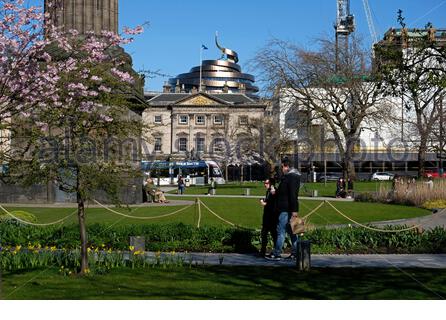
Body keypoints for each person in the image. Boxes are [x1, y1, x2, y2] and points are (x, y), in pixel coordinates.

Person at [266, 158, 300, 261]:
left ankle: (277, 253)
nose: (281, 168)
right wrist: (275, 191)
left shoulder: (291, 177)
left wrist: (294, 211)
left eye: (282, 166)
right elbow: (285, 192)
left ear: (286, 166)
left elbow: (293, 195)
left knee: (281, 231)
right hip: (287, 208)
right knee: (292, 231)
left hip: (287, 209)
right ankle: (295, 253)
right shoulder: (289, 177)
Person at [259, 178, 278, 257]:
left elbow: (273, 203)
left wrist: (264, 204)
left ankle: (276, 251)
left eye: (266, 183)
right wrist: (264, 200)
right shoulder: (268, 191)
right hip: (267, 216)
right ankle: (263, 251)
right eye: (264, 183)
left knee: (273, 234)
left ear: (271, 184)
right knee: (264, 234)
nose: (265, 184)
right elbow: (269, 200)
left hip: (272, 217)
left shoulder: (274, 191)